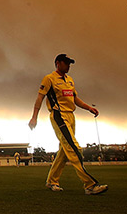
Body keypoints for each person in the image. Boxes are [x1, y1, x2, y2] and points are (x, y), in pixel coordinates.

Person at [28, 54, 108, 195]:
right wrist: (34, 117)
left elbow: (75, 98)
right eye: (66, 63)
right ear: (58, 63)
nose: (68, 66)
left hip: (71, 116)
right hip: (59, 116)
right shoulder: (49, 79)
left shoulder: (69, 80)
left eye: (69, 63)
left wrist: (89, 108)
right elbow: (40, 97)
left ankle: (52, 181)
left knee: (65, 151)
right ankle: (89, 185)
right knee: (74, 148)